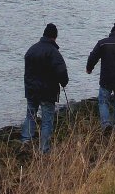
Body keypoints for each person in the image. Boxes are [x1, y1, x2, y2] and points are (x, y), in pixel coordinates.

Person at [21, 23, 69, 153]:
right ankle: (44, 149)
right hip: (48, 92)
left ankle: (26, 140)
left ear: (44, 34)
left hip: (31, 90)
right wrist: (64, 82)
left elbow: (27, 72)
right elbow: (62, 72)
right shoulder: (54, 52)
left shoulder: (31, 49)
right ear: (55, 37)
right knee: (47, 120)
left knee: (30, 115)